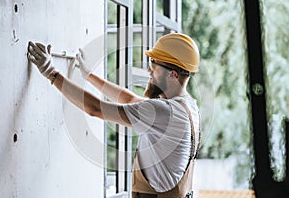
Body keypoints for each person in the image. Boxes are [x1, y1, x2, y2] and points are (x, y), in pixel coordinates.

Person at [27, 33, 201, 198]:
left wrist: (50, 72)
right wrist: (89, 76)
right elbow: (129, 99)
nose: (149, 71)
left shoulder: (164, 112)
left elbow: (94, 108)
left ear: (173, 74)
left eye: (154, 65)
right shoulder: (188, 107)